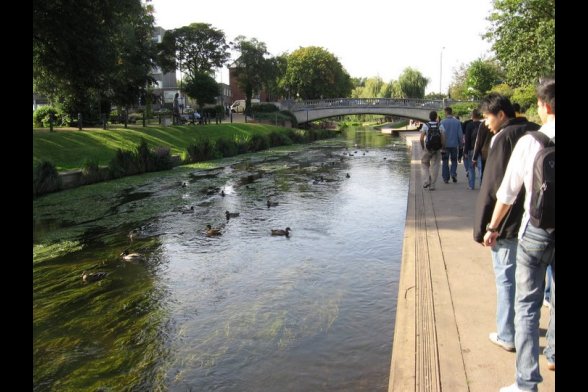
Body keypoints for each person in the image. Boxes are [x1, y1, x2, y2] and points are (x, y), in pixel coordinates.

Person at [483, 79, 555, 392]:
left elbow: (507, 193)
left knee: (527, 306)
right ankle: (553, 350)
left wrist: (492, 227)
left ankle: (527, 384)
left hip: (536, 232)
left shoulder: (532, 140)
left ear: (546, 106)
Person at [473, 93, 540, 356]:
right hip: (538, 219)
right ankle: (537, 336)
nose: (486, 123)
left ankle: (506, 333)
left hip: (508, 223)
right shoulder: (537, 132)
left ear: (501, 114)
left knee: (506, 279)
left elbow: (494, 187)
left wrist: (485, 226)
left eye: (488, 117)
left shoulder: (504, 137)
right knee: (534, 281)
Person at [419, 110, 446, 191]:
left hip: (428, 148)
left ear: (429, 117)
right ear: (436, 117)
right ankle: (432, 185)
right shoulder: (440, 125)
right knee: (435, 166)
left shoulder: (425, 125)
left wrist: (423, 147)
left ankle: (427, 180)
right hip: (437, 149)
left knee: (424, 163)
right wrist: (442, 147)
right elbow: (443, 138)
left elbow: (421, 138)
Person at [440, 107, 463, 183]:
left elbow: (440, 134)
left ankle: (446, 178)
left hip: (445, 145)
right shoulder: (457, 122)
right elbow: (460, 135)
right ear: (451, 112)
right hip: (454, 144)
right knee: (454, 160)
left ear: (446, 112)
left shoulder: (442, 122)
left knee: (445, 161)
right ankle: (453, 173)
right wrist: (461, 144)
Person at [463, 109, 483, 190]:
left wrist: (465, 151)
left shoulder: (469, 125)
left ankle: (471, 185)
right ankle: (482, 185)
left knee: (471, 168)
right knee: (481, 168)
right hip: (481, 150)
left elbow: (467, 139)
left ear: (472, 116)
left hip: (471, 149)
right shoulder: (483, 125)